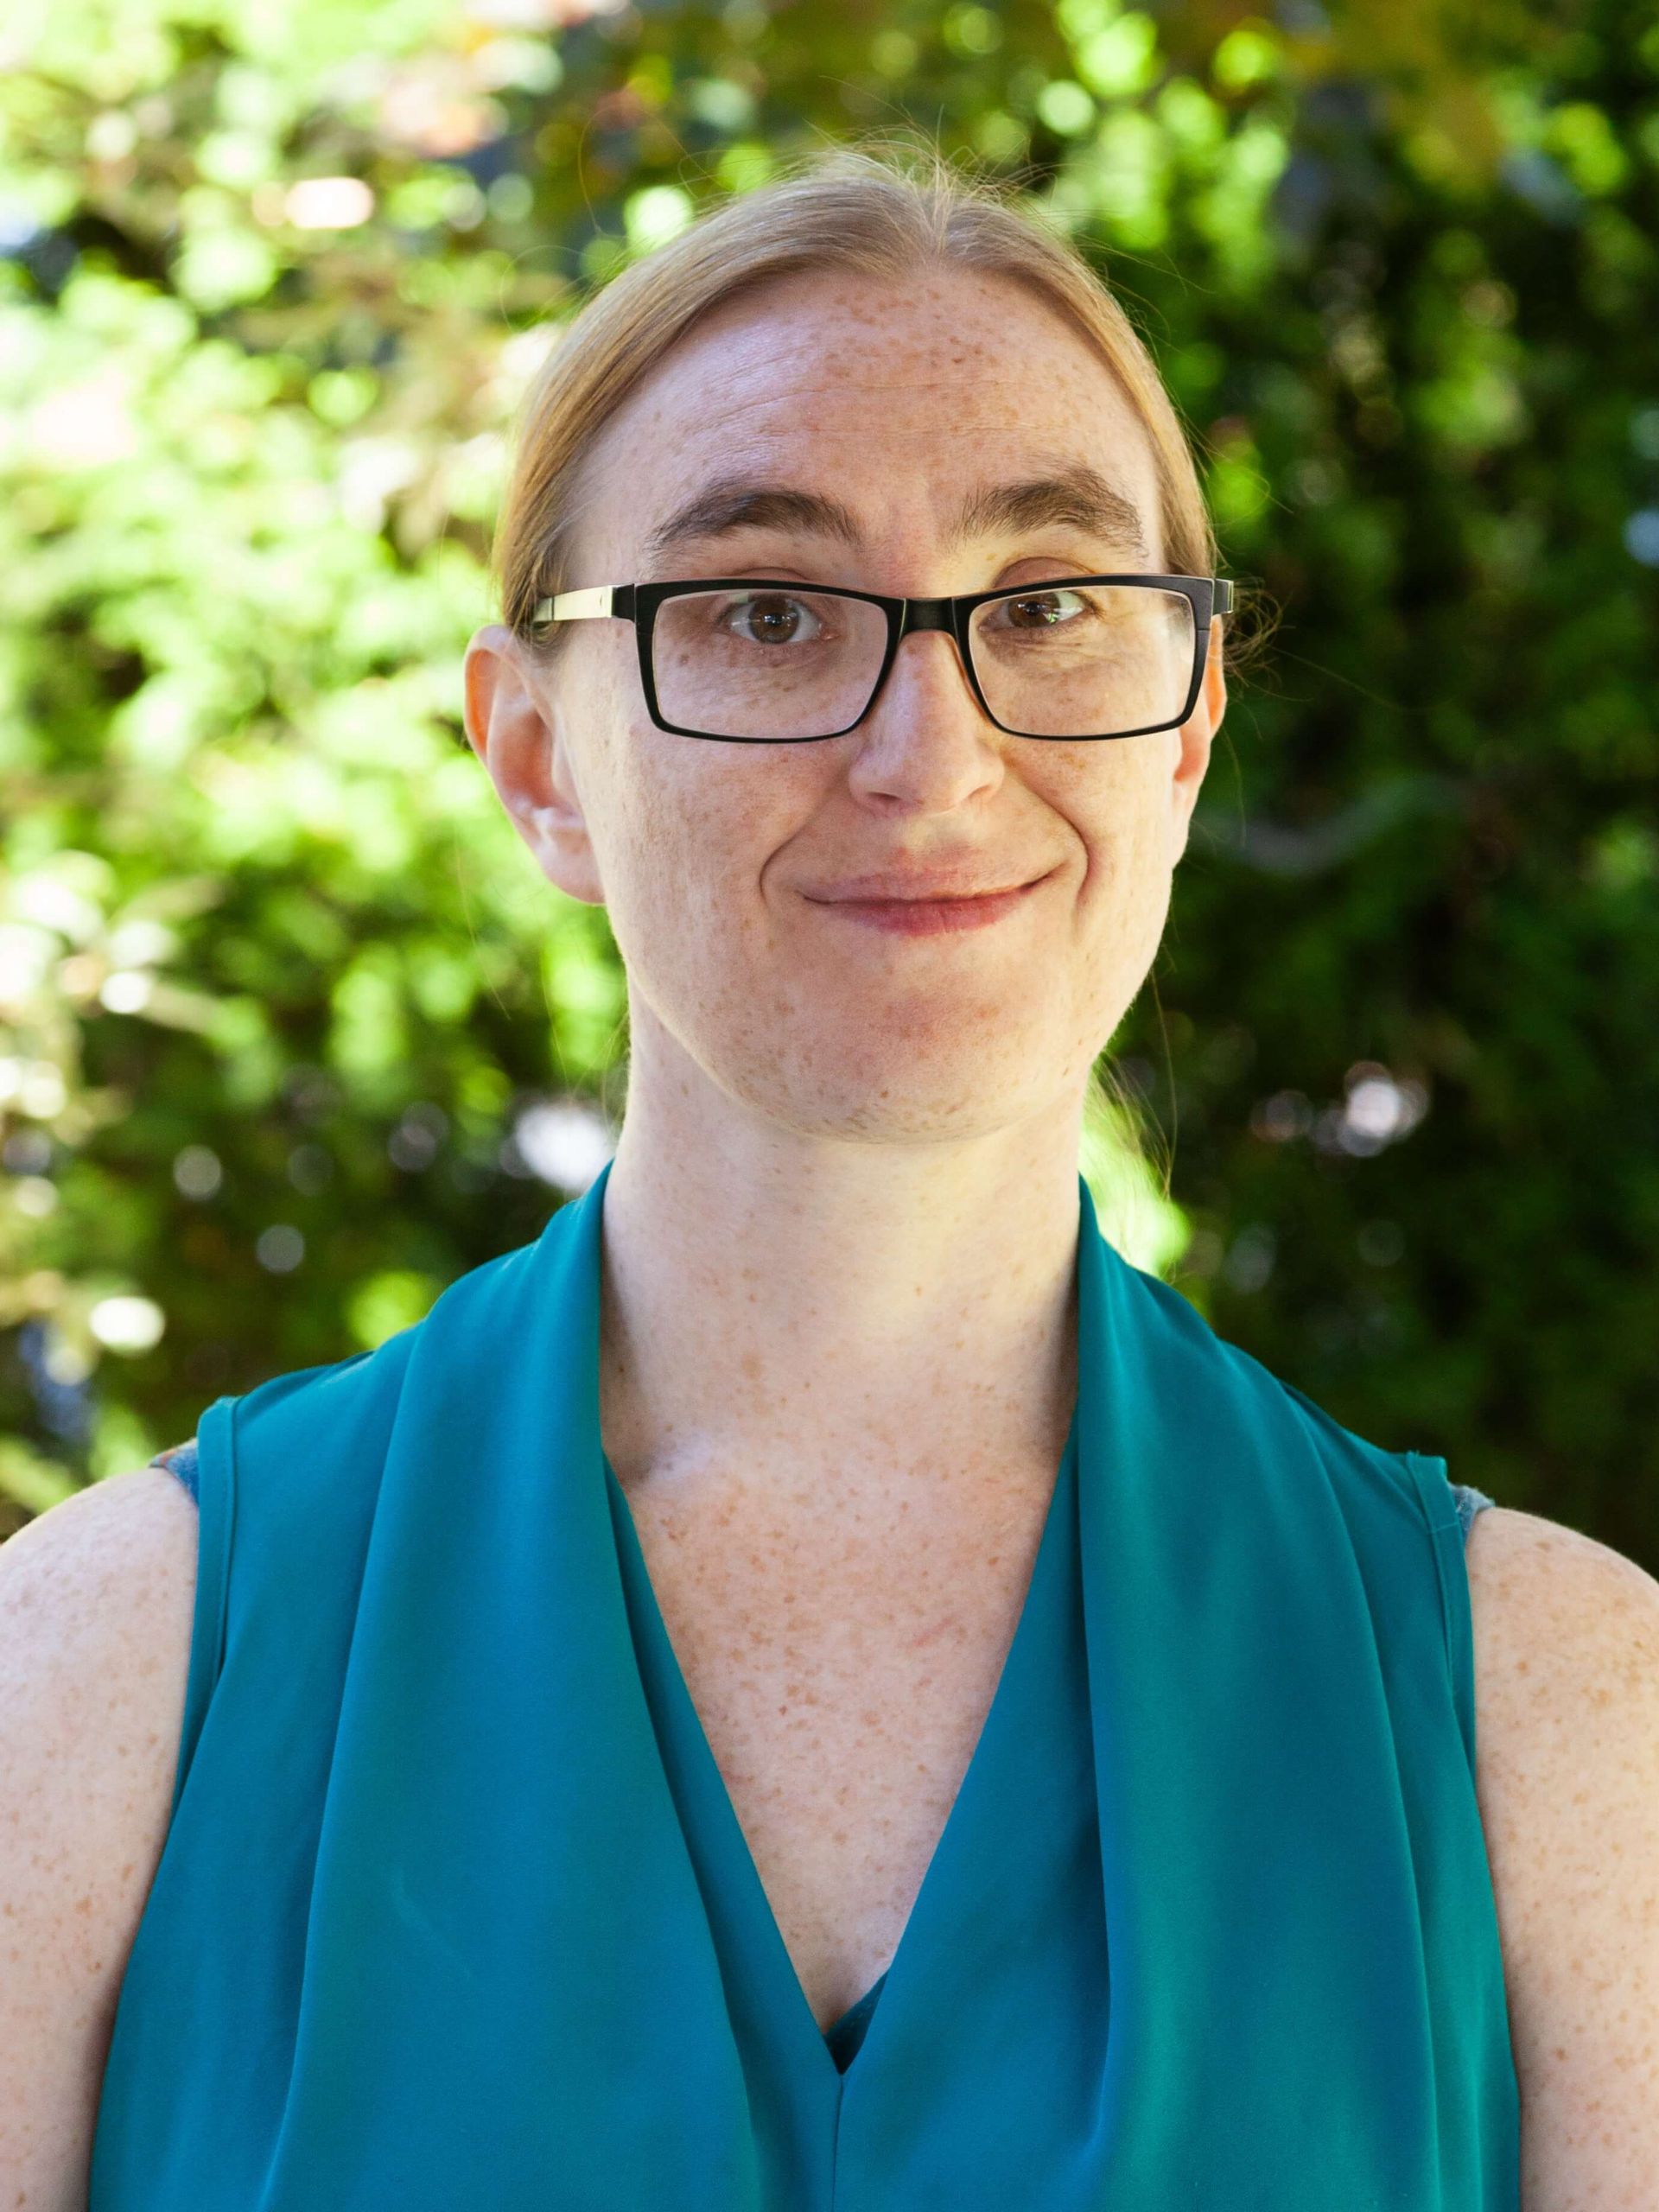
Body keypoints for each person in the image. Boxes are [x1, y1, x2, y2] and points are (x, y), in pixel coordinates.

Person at [3, 148, 1656, 2210]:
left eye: (1048, 603)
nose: (931, 756)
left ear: (1188, 730)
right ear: (534, 754)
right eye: (769, 611)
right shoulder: (95, 1679)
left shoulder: (1565, 1723)